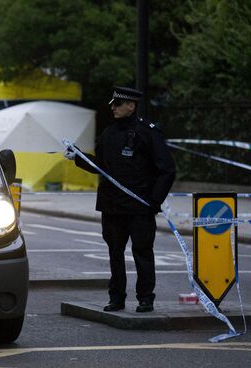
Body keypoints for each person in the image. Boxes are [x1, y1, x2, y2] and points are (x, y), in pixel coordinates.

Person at [64, 87, 176, 313]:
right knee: (115, 253)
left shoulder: (148, 133)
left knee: (142, 253)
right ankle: (116, 297)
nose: (113, 108)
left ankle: (145, 298)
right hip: (112, 206)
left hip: (140, 207)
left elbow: (167, 169)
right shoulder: (109, 133)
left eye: (117, 104)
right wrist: (78, 156)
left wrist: (155, 201)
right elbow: (101, 167)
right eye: (112, 104)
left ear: (131, 106)